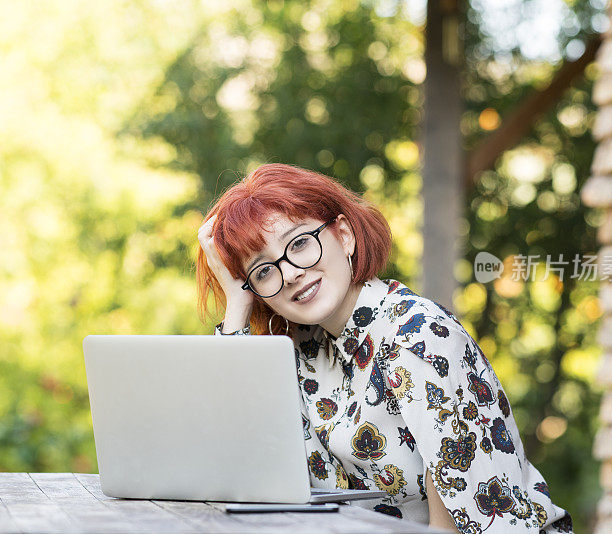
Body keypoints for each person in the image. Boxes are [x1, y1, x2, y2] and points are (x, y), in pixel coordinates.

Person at [196, 163, 573, 533]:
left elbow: (455, 526)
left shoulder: (417, 335)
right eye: (262, 271)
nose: (290, 272)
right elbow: (238, 458)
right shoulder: (304, 351)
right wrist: (236, 303)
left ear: (344, 235)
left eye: (299, 244)